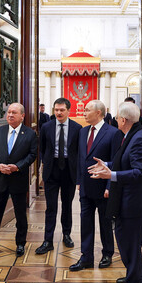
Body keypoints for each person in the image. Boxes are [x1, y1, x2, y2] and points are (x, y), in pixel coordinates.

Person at [89, 101, 142, 283]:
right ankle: (136, 275)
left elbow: (139, 172)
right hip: (128, 200)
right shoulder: (132, 135)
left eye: (117, 118)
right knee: (129, 242)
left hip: (134, 202)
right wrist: (107, 164)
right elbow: (125, 162)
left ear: (123, 120)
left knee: (129, 244)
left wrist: (110, 175)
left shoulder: (138, 139)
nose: (116, 121)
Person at [0, 103, 38, 258]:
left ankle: (20, 244)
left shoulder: (30, 134)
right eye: (9, 112)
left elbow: (32, 155)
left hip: (18, 180)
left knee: (20, 214)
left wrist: (17, 167)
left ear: (22, 116)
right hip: (0, 179)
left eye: (14, 112)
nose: (10, 115)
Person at [70, 99, 123, 272]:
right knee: (85, 222)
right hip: (85, 187)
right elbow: (81, 158)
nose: (83, 113)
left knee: (105, 222)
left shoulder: (113, 133)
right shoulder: (83, 131)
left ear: (98, 112)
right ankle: (86, 257)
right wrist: (79, 181)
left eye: (87, 110)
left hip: (103, 187)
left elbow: (115, 162)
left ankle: (107, 253)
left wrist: (110, 186)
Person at [35, 98, 82, 254]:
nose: (59, 113)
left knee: (67, 205)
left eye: (62, 110)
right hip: (52, 170)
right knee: (51, 207)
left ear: (68, 110)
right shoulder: (46, 127)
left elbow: (79, 151)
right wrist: (45, 163)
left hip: (69, 170)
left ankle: (66, 235)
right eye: (56, 110)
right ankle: (48, 240)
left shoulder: (77, 128)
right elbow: (42, 148)